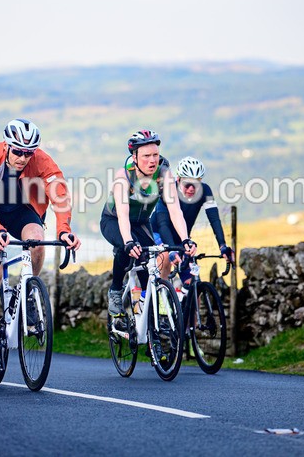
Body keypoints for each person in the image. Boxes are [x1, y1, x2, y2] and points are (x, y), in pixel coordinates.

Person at [0, 118, 81, 368]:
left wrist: (64, 230)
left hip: (21, 208)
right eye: (18, 151)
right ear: (7, 146)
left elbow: (60, 194)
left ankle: (29, 290)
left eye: (28, 153)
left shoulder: (41, 160)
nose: (23, 157)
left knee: (37, 240)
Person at [100, 130, 196, 359]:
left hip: (141, 223)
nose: (152, 160)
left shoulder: (164, 174)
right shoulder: (123, 177)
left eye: (155, 154)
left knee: (152, 262)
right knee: (128, 249)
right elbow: (122, 216)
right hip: (114, 221)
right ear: (134, 157)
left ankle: (148, 316)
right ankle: (115, 291)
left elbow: (175, 209)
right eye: (146, 156)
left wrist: (185, 239)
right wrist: (128, 241)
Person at [152, 156, 235, 284]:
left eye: (196, 183)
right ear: (178, 179)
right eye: (188, 184)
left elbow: (214, 219)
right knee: (166, 257)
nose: (192, 188)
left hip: (181, 238)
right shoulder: (167, 189)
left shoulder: (205, 190)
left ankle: (183, 295)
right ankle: (161, 295)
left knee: (193, 284)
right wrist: (171, 250)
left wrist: (222, 245)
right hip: (158, 233)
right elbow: (162, 224)